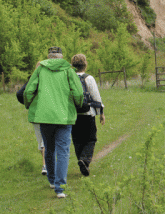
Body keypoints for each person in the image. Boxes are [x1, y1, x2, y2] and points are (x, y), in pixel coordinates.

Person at [24, 47, 84, 199]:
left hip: (44, 116)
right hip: (64, 116)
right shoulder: (68, 70)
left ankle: (51, 180)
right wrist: (77, 104)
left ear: (48, 57)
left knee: (49, 148)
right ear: (61, 57)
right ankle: (60, 188)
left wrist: (28, 104)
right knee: (63, 151)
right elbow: (78, 92)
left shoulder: (40, 70)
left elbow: (28, 91)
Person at [71, 54, 105, 177]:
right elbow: (96, 97)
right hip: (88, 113)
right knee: (91, 139)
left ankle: (81, 159)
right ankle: (84, 160)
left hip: (73, 115)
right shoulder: (89, 78)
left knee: (77, 139)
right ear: (85, 65)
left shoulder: (68, 78)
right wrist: (101, 113)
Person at [16, 62, 47, 176]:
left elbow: (20, 94)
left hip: (35, 114)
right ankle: (46, 165)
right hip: (46, 113)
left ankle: (45, 164)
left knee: (41, 141)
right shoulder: (48, 81)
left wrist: (28, 104)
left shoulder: (32, 80)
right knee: (45, 141)